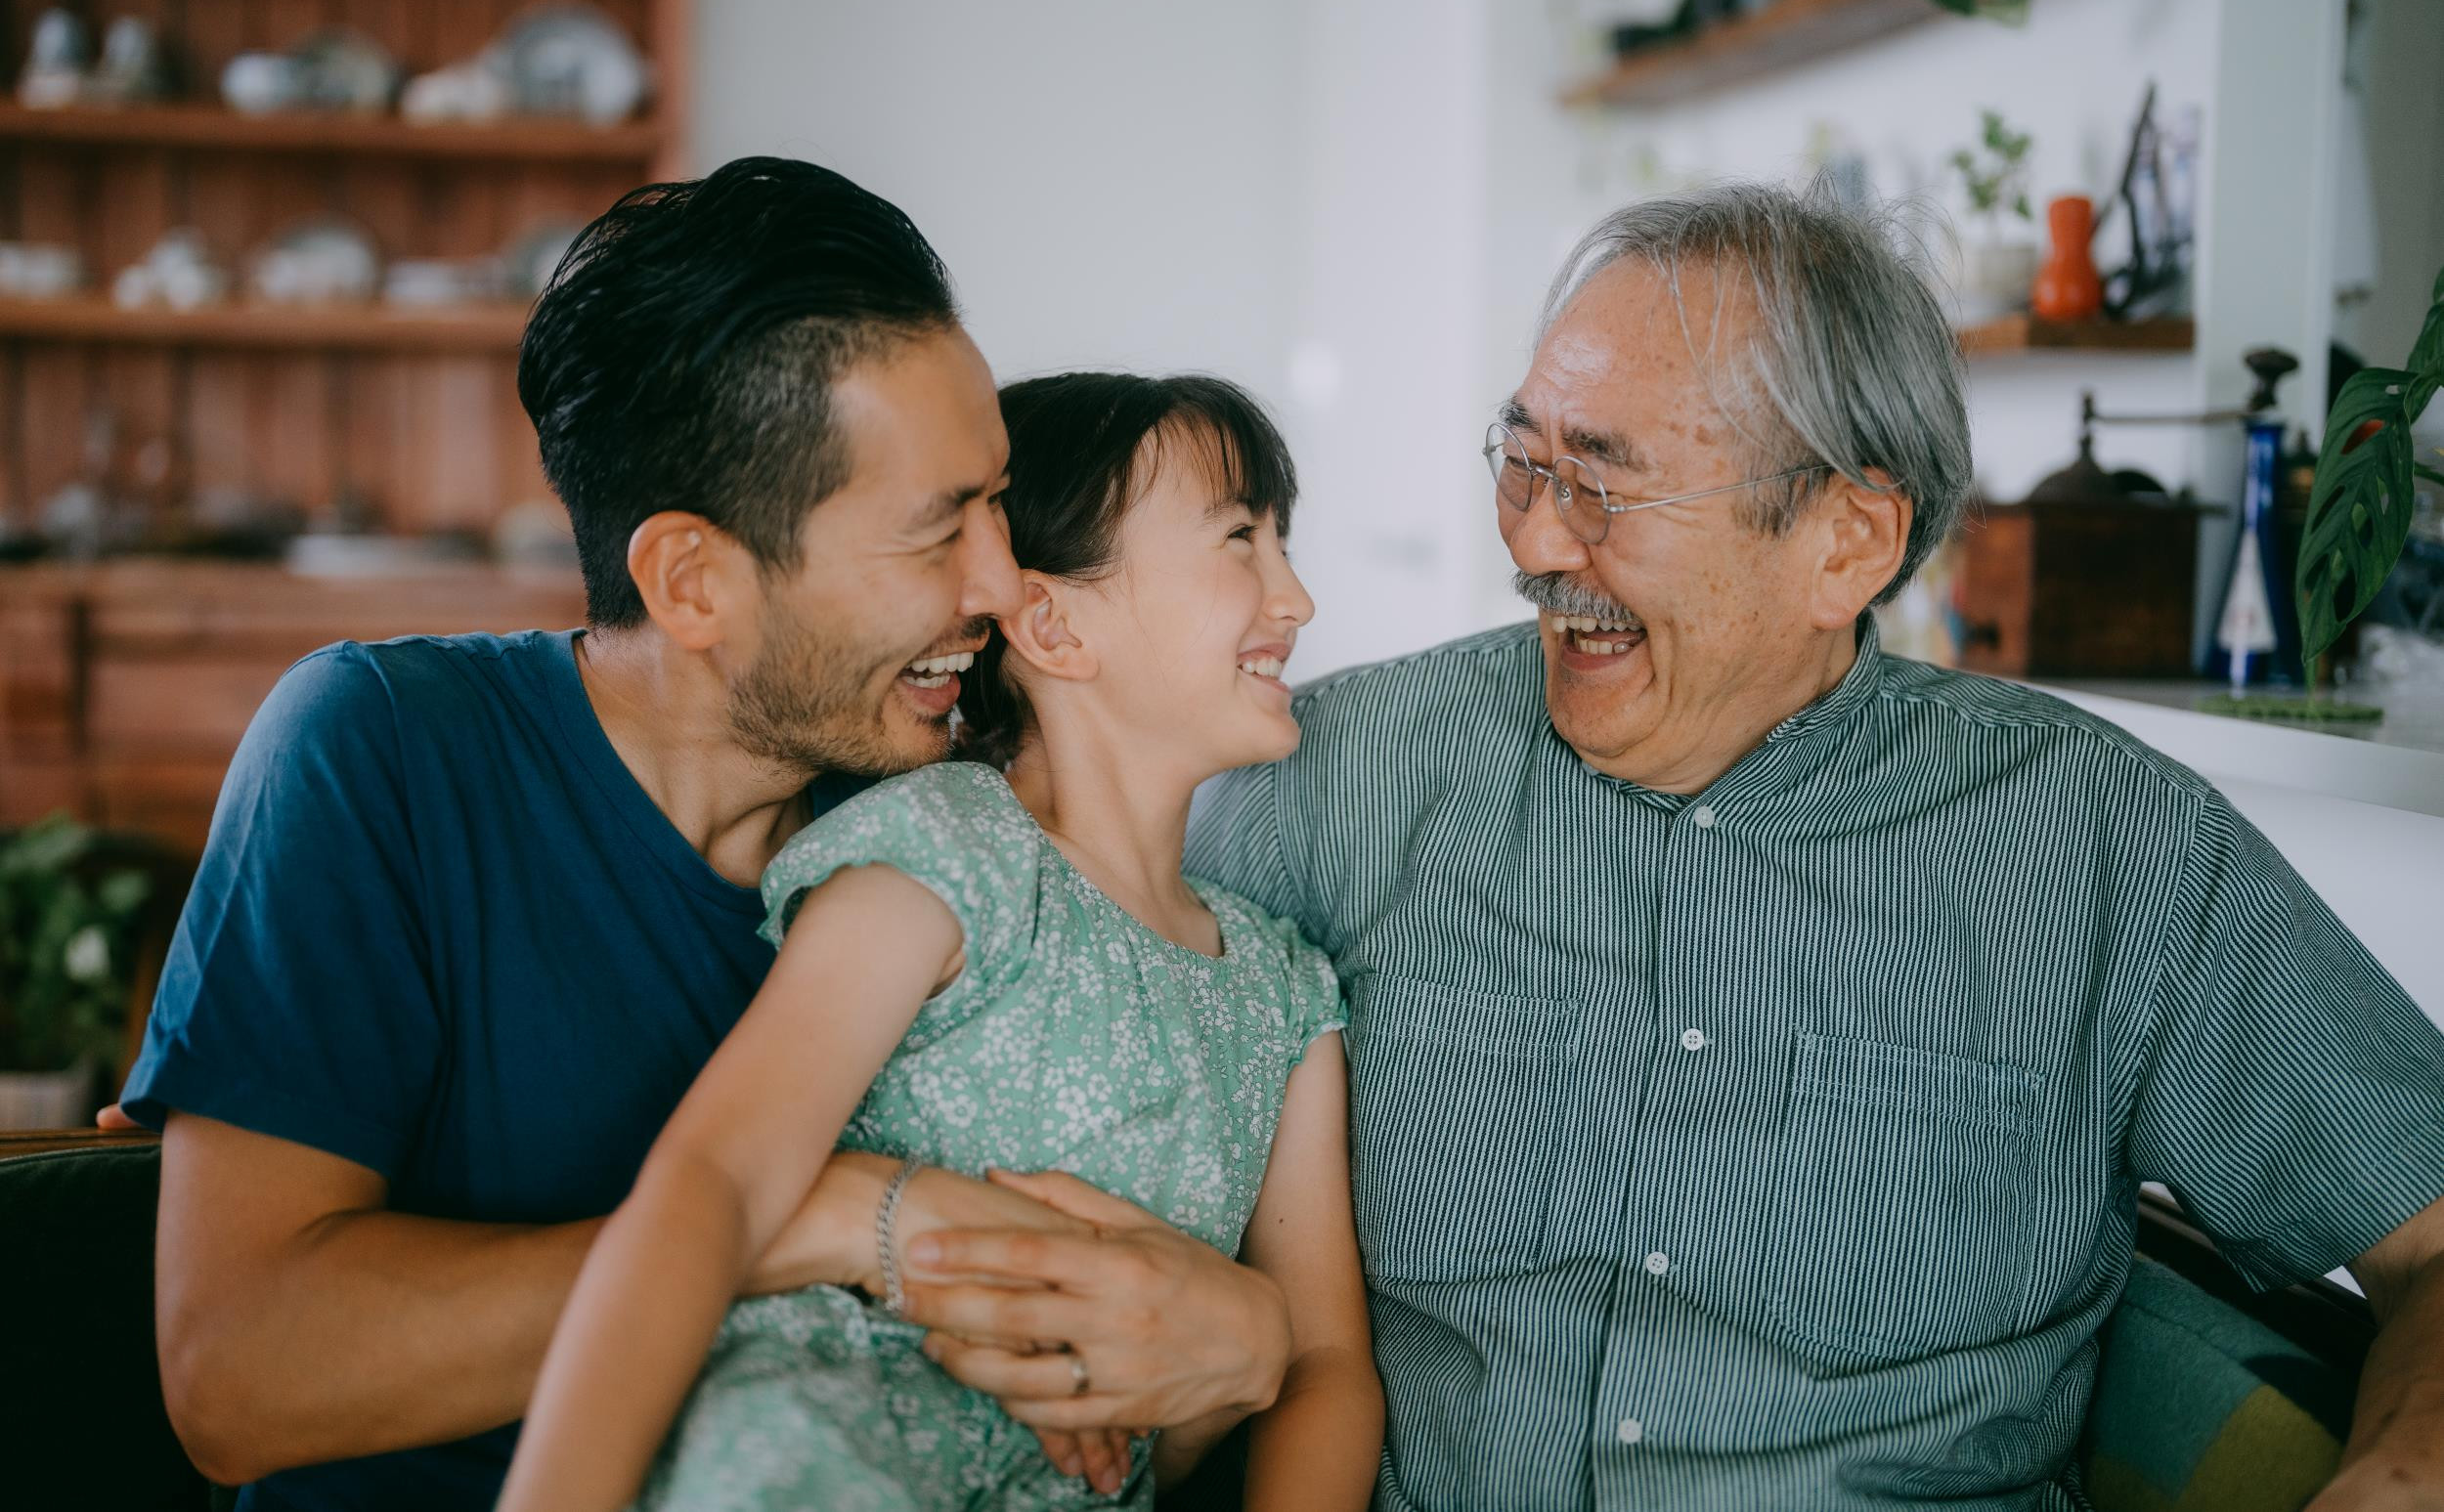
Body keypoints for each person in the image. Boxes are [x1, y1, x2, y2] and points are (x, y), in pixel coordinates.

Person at [1186, 183, 2444, 1510]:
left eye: (1605, 482)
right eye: (1526, 458)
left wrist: (2406, 1469)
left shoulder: (2110, 847)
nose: (1539, 538)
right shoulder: (1327, 779)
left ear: (1848, 540)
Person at [114, 160, 1298, 1512]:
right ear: (692, 581)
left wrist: (1246, 1341)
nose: (998, 578)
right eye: (935, 533)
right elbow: (239, 1374)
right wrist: (826, 1218)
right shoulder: (383, 748)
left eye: (997, 501)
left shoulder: (961, 840)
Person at [497, 372, 1379, 1512]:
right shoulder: (941, 856)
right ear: (1054, 623)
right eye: (1239, 539)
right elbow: (712, 1180)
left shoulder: (1282, 989)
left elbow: (1325, 1366)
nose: (1296, 598)